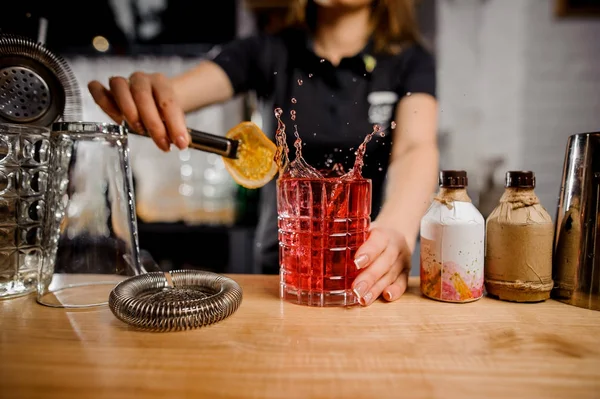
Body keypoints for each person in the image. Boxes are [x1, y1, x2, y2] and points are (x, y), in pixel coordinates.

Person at [88, 0, 439, 306]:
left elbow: (415, 147)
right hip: (283, 273)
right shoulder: (266, 51)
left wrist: (397, 229)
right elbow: (173, 96)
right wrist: (148, 97)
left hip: (370, 273)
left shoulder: (409, 60)